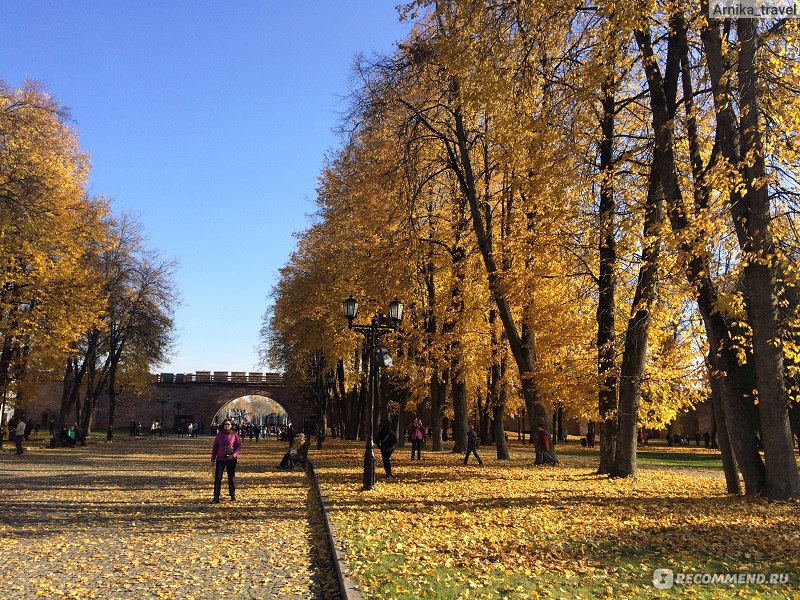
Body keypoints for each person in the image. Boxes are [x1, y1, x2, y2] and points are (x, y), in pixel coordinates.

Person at [211, 419, 241, 503]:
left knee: (231, 477)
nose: (226, 426)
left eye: (228, 424)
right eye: (225, 424)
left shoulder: (235, 435)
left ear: (231, 425)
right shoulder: (219, 435)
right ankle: (216, 497)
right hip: (220, 459)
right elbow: (215, 447)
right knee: (217, 478)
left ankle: (232, 495)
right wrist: (212, 459)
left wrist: (233, 455)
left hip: (231, 459)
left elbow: (238, 446)